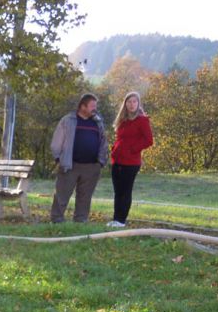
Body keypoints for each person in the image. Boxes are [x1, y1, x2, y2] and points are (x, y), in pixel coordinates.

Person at [49, 93, 108, 223]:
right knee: (62, 195)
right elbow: (56, 142)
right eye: (92, 106)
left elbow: (104, 141)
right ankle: (56, 219)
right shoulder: (68, 120)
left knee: (85, 196)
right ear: (82, 106)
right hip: (70, 165)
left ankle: (81, 220)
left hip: (92, 167)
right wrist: (59, 159)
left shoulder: (98, 122)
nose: (95, 109)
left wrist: (101, 162)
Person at [108, 91, 154, 228]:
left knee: (126, 191)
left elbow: (148, 140)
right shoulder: (122, 120)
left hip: (131, 162)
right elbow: (120, 139)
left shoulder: (142, 120)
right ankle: (115, 219)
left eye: (134, 101)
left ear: (138, 103)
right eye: (129, 102)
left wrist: (132, 149)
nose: (132, 104)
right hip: (117, 161)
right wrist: (115, 150)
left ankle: (121, 221)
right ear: (125, 104)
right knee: (118, 191)